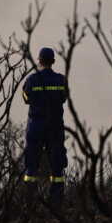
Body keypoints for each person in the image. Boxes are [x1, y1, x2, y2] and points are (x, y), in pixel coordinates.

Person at [22, 47, 69, 209]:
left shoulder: (32, 79)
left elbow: (26, 98)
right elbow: (64, 98)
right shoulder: (61, 80)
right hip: (55, 126)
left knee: (31, 165)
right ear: (53, 61)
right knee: (57, 165)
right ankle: (56, 203)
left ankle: (29, 202)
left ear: (39, 61)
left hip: (35, 126)